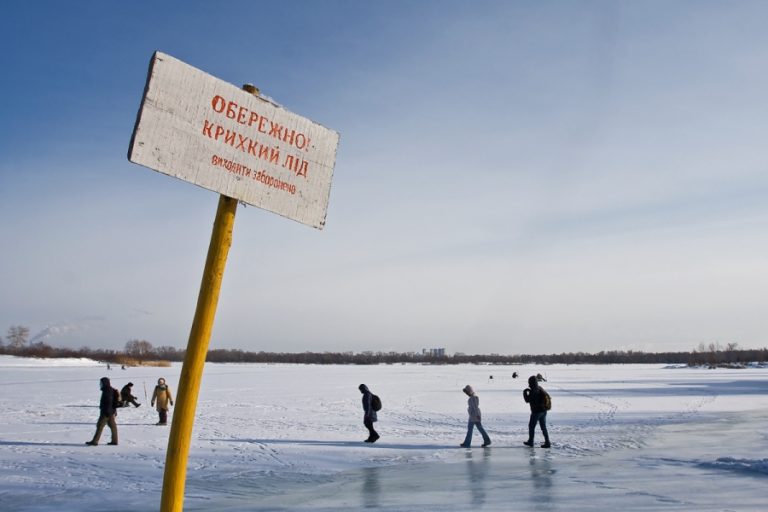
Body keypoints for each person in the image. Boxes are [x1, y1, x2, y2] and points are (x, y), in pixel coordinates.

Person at [86, 377, 119, 446]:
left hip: (106, 412)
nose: (100, 384)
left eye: (101, 383)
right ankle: (114, 441)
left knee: (100, 425)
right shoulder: (110, 389)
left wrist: (107, 411)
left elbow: (108, 401)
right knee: (113, 426)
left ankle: (95, 441)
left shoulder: (107, 390)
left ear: (105, 383)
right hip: (110, 411)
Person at [523, 375, 551, 448]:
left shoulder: (534, 390)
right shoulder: (540, 388)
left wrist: (525, 392)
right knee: (543, 427)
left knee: (531, 426)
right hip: (543, 411)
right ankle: (547, 442)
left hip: (536, 412)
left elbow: (527, 400)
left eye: (529, 382)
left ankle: (531, 441)